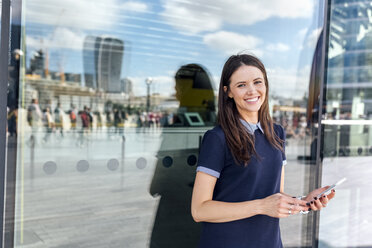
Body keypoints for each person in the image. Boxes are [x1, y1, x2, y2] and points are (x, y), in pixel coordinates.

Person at [191, 54, 336, 248]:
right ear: (228, 92)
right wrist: (261, 206)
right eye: (241, 85)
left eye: (257, 82)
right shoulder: (217, 138)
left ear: (265, 86)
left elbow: (276, 196)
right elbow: (199, 210)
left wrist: (304, 203)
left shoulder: (277, 133)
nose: (252, 91)